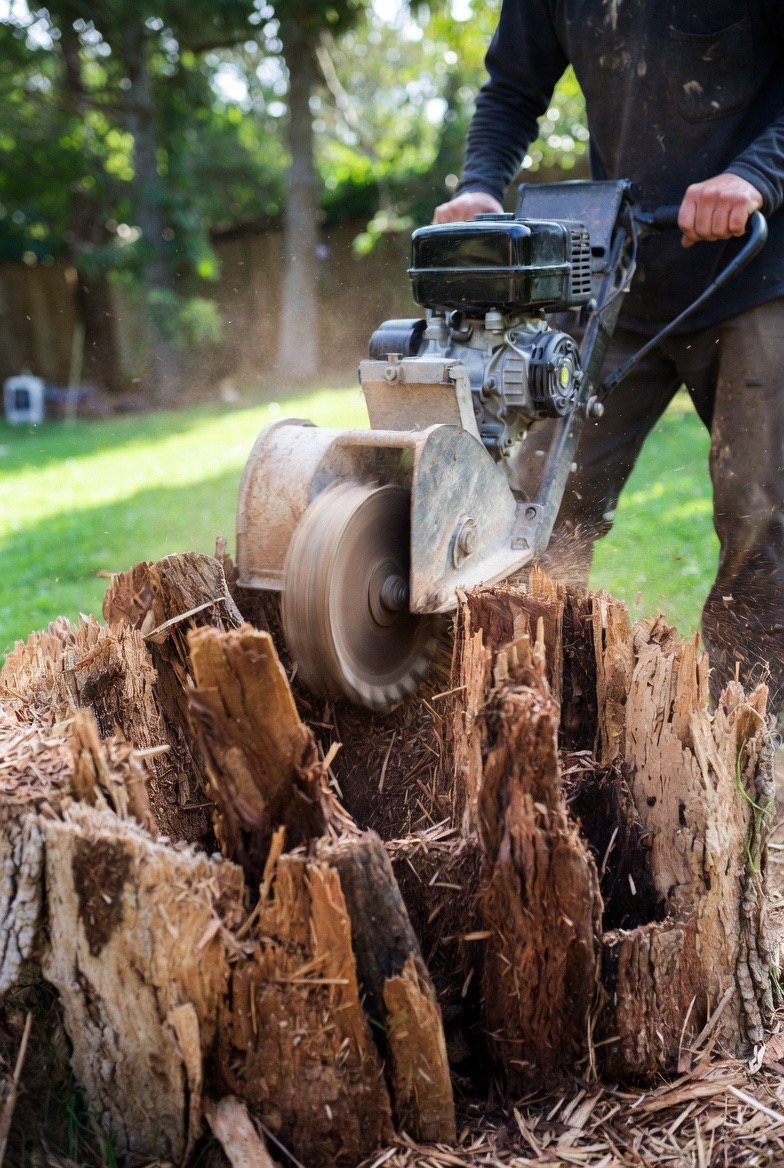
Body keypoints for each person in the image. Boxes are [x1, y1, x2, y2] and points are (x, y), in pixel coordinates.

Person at [434, 1, 784, 713]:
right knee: (539, 503)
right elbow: (511, 88)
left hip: (756, 271)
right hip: (617, 273)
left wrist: (756, 173)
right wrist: (478, 183)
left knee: (760, 515)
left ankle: (747, 734)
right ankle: (539, 706)